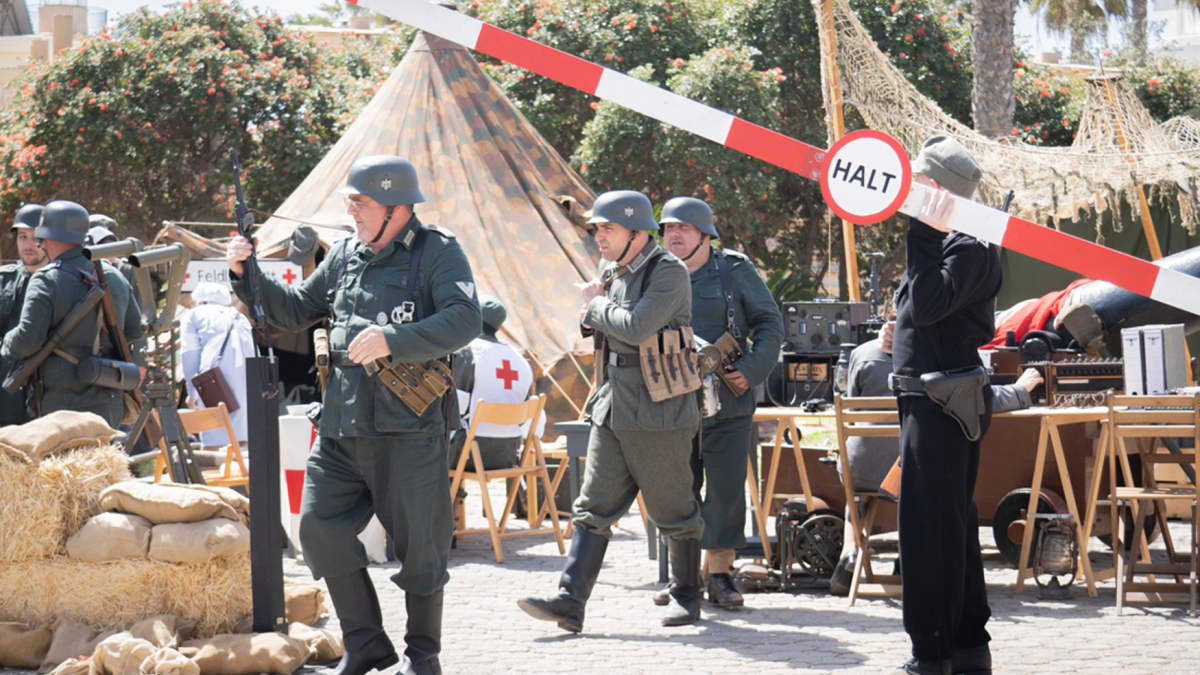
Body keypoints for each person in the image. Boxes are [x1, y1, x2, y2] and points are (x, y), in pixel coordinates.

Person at [226, 155, 481, 675]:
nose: (350, 211)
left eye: (359, 202)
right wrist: (245, 272)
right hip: (342, 426)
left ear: (395, 207)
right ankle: (365, 643)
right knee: (318, 528)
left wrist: (394, 339)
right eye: (350, 202)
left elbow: (465, 319)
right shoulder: (345, 254)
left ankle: (422, 657)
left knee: (420, 549)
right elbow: (295, 308)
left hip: (409, 429)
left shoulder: (438, 253)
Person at [517, 190, 705, 630]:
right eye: (597, 228)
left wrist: (597, 304)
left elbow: (637, 326)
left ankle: (687, 595)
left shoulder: (669, 272)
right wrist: (598, 307)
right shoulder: (613, 270)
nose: (598, 236)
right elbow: (599, 326)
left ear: (638, 233)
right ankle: (569, 601)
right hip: (613, 404)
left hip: (660, 410)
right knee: (591, 507)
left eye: (608, 228)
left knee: (673, 508)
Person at [887, 136, 1002, 675]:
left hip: (942, 400)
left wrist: (922, 230)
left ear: (934, 189)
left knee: (930, 530)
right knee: (949, 525)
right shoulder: (957, 242)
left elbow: (931, 301)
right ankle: (965, 644)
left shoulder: (966, 243)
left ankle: (931, 655)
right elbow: (926, 309)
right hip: (933, 396)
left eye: (918, 184)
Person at [827, 318, 1043, 596]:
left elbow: (852, 405)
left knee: (857, 490)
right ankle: (909, 558)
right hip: (910, 465)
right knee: (928, 477)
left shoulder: (861, 354)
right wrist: (1020, 389)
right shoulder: (935, 358)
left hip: (860, 468)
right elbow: (983, 399)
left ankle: (852, 550)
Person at [659, 196, 783, 608]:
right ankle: (684, 578)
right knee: (680, 490)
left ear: (705, 236)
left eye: (683, 228)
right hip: (674, 400)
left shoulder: (734, 268)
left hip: (729, 398)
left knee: (726, 490)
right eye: (667, 228)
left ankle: (720, 574)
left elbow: (769, 322)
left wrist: (753, 368)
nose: (672, 234)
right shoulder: (656, 272)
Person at [1, 200, 143, 429]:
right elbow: (135, 330)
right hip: (108, 397)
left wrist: (7, 343)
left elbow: (28, 340)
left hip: (62, 402)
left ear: (46, 237)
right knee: (102, 464)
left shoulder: (46, 278)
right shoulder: (113, 275)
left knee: (62, 466)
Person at [449, 294, 535, 472]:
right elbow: (523, 417)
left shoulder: (467, 351)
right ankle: (456, 496)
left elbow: (455, 410)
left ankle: (450, 496)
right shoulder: (520, 360)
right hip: (508, 454)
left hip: (469, 454)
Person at [179, 282, 255, 448]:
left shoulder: (193, 315)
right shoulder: (239, 316)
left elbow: (189, 354)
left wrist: (192, 392)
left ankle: (217, 465)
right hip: (247, 373)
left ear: (199, 300)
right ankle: (241, 466)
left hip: (213, 373)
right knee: (242, 428)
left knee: (215, 426)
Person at [0, 204, 49, 426]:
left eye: (35, 237)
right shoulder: (3, 280)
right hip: (6, 395)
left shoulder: (62, 282)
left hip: (48, 395)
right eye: (22, 237)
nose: (28, 244)